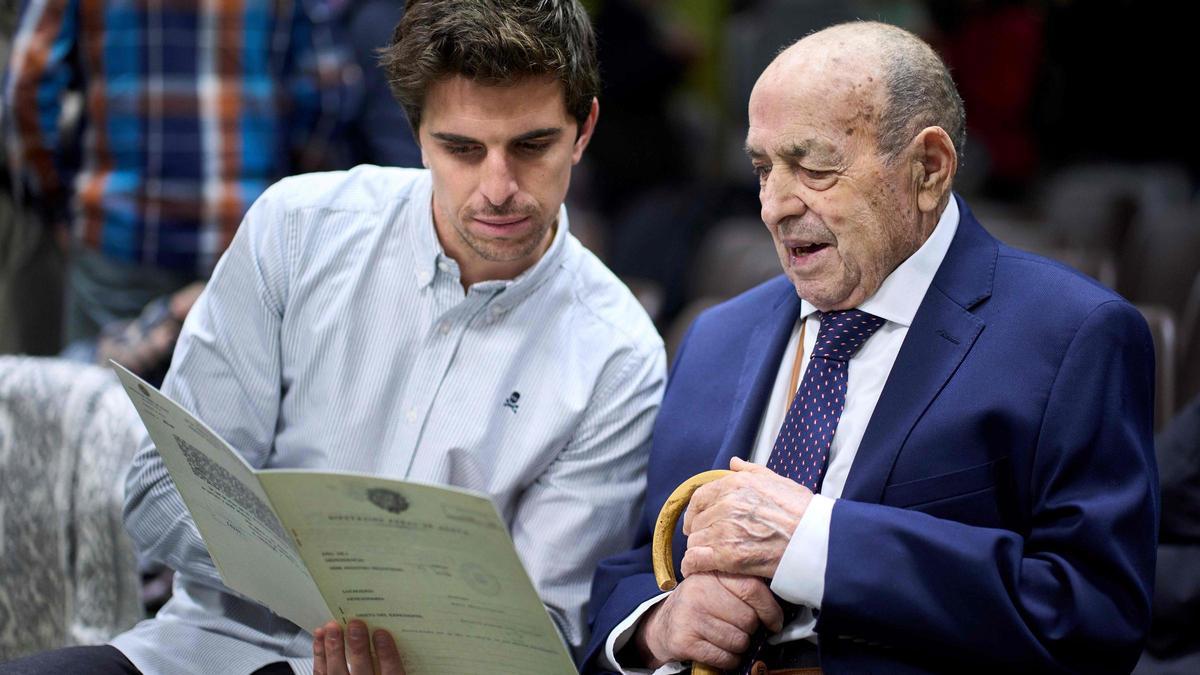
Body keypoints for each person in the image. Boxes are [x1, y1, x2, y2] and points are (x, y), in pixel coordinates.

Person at [0, 0, 665, 673]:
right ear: (416, 134)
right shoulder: (298, 230)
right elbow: (157, 490)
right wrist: (321, 582)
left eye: (531, 145)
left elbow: (542, 632)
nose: (498, 187)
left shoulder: (617, 356)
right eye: (461, 148)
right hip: (201, 654)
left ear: (584, 130)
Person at [584, 21, 1157, 674]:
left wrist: (816, 544)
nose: (774, 204)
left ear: (929, 169)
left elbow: (1094, 617)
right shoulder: (717, 334)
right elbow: (631, 567)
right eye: (763, 167)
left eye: (813, 165)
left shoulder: (1073, 336)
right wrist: (660, 626)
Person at [1, 0, 345, 351]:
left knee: (102, 394)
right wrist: (287, 194)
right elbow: (327, 91)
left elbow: (24, 91)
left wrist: (54, 199)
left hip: (120, 233)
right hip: (244, 232)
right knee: (231, 397)